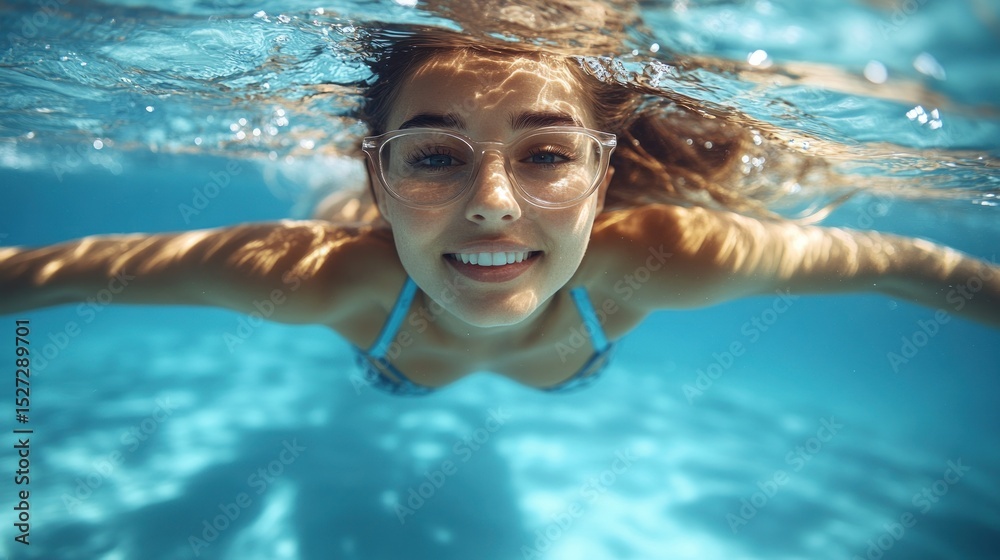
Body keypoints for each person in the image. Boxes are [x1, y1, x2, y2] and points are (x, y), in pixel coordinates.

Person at [2, 27, 998, 396]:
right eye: (434, 155)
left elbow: (903, 263)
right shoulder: (325, 276)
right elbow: (65, 273)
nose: (491, 205)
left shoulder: (668, 253)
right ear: (378, 173)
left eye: (549, 154)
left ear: (603, 173)